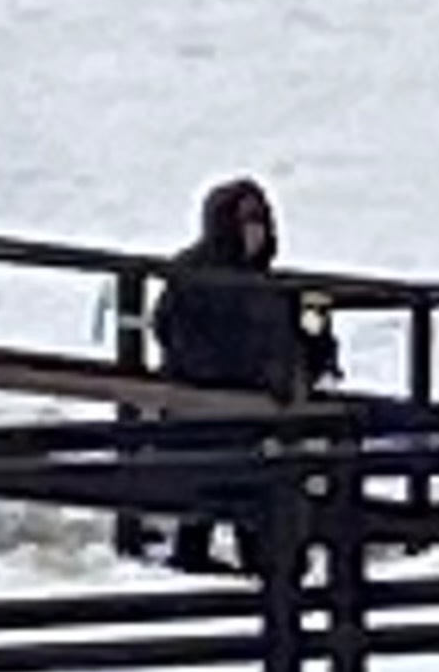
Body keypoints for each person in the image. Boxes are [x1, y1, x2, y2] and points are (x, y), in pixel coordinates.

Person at [132, 177, 333, 574]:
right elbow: (177, 334)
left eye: (261, 220)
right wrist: (243, 373)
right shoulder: (195, 275)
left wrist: (316, 350)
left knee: (255, 480)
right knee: (222, 478)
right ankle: (210, 556)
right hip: (203, 409)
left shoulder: (268, 285)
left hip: (254, 412)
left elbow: (285, 340)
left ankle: (259, 561)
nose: (255, 231)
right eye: (246, 221)